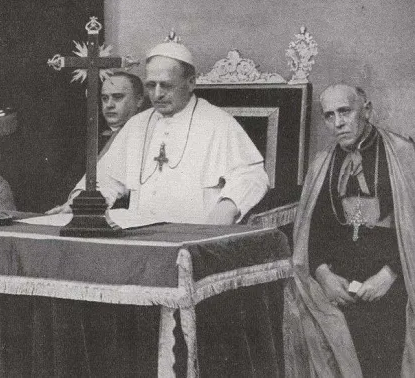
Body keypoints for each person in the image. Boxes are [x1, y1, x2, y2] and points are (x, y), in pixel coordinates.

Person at [49, 31, 269, 224]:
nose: (157, 94)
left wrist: (228, 206)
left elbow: (252, 175)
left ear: (191, 83)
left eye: (166, 85)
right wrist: (80, 203)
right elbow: (107, 178)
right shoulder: (137, 125)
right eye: (151, 85)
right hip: (140, 232)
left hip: (194, 234)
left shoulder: (218, 123)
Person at [283, 84, 415, 377]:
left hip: (396, 283)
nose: (338, 123)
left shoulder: (405, 155)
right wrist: (323, 274)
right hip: (338, 286)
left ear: (366, 110)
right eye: (329, 115)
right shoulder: (322, 163)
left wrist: (388, 274)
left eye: (345, 111)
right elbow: (311, 230)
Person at [98, 71, 145, 156]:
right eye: (105, 98)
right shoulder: (94, 137)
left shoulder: (146, 137)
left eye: (117, 97)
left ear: (139, 100)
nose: (109, 105)